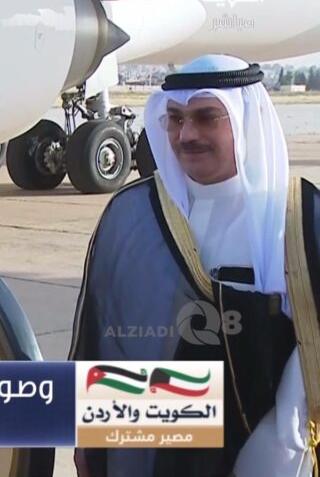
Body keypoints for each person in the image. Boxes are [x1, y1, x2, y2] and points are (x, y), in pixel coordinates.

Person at [70, 55, 320, 477]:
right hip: (156, 437)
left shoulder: (299, 219)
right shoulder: (133, 216)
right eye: (175, 119)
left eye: (206, 118)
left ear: (244, 121)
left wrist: (282, 437)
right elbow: (102, 334)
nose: (187, 135)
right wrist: (90, 441)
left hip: (268, 445)